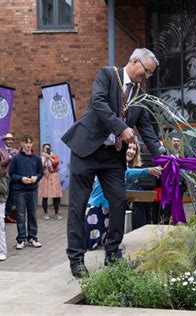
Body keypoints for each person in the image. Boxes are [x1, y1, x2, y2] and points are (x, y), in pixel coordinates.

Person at [61, 48, 162, 278]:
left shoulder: (139, 94)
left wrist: (162, 157)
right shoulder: (107, 75)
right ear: (134, 61)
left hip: (112, 157)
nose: (146, 77)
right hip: (86, 150)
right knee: (78, 207)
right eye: (146, 71)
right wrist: (122, 128)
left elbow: (146, 128)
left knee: (118, 201)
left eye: (150, 74)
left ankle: (113, 254)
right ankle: (76, 260)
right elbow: (98, 103)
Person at [85, 141, 162, 250]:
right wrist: (148, 170)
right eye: (129, 148)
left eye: (134, 149)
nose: (131, 151)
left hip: (109, 210)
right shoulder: (112, 165)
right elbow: (126, 173)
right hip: (98, 209)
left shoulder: (122, 166)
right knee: (90, 246)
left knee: (101, 246)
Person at [9, 133, 43, 250]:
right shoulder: (16, 158)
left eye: (30, 142)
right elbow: (11, 174)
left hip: (33, 190)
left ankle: (32, 237)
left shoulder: (37, 158)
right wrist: (21, 178)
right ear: (22, 144)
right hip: (19, 191)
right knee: (20, 215)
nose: (28, 145)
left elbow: (40, 172)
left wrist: (36, 178)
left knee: (32, 214)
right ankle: (21, 239)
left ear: (32, 143)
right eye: (26, 142)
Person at [0, 132, 19, 223]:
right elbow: (1, 164)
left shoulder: (16, 151)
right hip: (4, 177)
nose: (10, 141)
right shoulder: (0, 151)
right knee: (4, 197)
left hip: (14, 177)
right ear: (4, 141)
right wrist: (9, 157)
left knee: (12, 197)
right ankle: (2, 215)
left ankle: (8, 215)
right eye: (8, 139)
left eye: (11, 139)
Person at [38, 143, 63, 220]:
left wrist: (50, 157)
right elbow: (41, 166)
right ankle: (45, 213)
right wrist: (46, 158)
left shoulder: (54, 156)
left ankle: (56, 213)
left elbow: (56, 163)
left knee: (56, 196)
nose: (47, 149)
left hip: (54, 176)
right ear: (43, 149)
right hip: (45, 177)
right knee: (45, 196)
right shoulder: (41, 157)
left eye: (48, 148)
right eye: (45, 148)